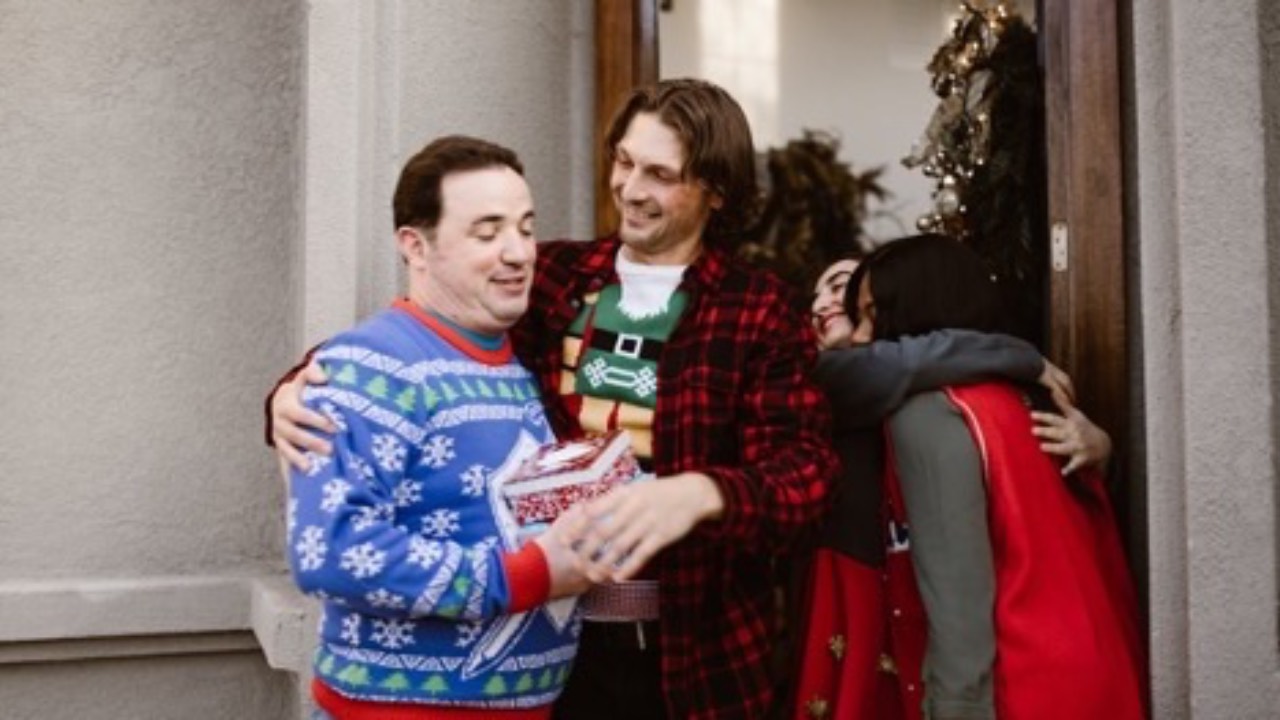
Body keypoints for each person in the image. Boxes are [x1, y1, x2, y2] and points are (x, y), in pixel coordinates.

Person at [271, 79, 837, 719]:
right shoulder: (554, 277)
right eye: (624, 162)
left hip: (693, 655)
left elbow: (807, 475)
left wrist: (703, 493)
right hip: (544, 648)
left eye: (660, 174)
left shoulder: (759, 310)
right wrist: (291, 390)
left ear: (717, 190)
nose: (630, 188)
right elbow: (417, 340)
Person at [284, 135, 592, 719]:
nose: (519, 252)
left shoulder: (520, 369)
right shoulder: (368, 367)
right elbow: (332, 551)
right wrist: (526, 574)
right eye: (487, 233)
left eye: (526, 228)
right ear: (415, 246)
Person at [792, 254, 1112, 719]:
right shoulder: (816, 379)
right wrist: (1019, 357)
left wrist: (1103, 449)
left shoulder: (948, 406)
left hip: (997, 651)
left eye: (853, 298)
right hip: (1066, 653)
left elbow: (974, 575)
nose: (823, 304)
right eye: (815, 298)